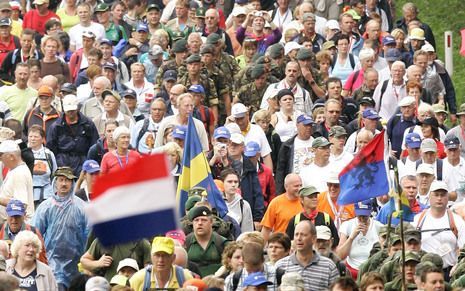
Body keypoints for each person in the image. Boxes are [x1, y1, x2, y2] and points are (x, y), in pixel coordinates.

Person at [33, 167, 89, 290]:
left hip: (76, 262)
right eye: (61, 180)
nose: (64, 183)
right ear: (55, 182)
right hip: (51, 261)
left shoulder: (81, 207)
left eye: (67, 180)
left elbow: (89, 233)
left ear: (72, 183)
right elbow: (35, 234)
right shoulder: (45, 207)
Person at [413, 180, 465, 279]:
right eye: (436, 195)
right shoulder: (418, 220)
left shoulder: (457, 221)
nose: (439, 198)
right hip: (424, 273)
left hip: (449, 272)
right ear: (429, 197)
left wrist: (458, 266)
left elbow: (463, 249)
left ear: (448, 197)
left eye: (443, 195)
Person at [275, 220, 339, 290]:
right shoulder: (280, 266)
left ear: (313, 239)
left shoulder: (329, 266)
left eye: (303, 235)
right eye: (296, 235)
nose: (299, 238)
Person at [46, 94, 99, 175]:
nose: (71, 113)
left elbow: (94, 145)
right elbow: (51, 148)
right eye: (68, 110)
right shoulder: (56, 126)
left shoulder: (88, 124)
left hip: (83, 163)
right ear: (64, 109)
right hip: (62, 163)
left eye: (73, 110)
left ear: (77, 108)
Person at [337, 200, 383, 279]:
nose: (361, 219)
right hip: (352, 271)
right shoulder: (347, 225)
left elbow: (384, 252)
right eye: (359, 216)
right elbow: (339, 256)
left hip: (372, 272)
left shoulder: (379, 227)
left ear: (370, 211)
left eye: (365, 216)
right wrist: (351, 238)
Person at [80, 236, 151, 281]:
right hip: (109, 287)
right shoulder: (102, 241)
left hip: (133, 287)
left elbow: (149, 271)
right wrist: (98, 263)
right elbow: (83, 261)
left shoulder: (141, 242)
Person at [185, 206, 229, 277]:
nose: (200, 223)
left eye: (204, 220)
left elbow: (231, 264)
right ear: (192, 223)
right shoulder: (186, 243)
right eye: (196, 220)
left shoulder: (222, 243)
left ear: (211, 222)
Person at [0, 199, 48, 264]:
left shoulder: (33, 233)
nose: (14, 220)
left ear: (24, 215)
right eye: (11, 216)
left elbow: (42, 261)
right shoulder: (1, 231)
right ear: (6, 215)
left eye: (17, 216)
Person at [260, 173, 303, 242]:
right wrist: (262, 249)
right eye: (296, 186)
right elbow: (266, 229)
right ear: (286, 187)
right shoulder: (276, 203)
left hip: (300, 244)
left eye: (301, 185)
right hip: (281, 245)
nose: (299, 188)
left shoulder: (305, 201)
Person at [0, 140, 34, 223]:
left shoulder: (19, 173)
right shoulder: (14, 170)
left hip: (18, 226)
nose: (0, 159)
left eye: (1, 155)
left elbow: (21, 204)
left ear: (11, 156)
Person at [27, 125, 57, 207]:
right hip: (28, 194)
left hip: (46, 195)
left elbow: (55, 174)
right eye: (30, 136)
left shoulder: (49, 154)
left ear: (43, 139)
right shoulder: (24, 154)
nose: (33, 139)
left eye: (36, 136)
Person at [221, 169, 254, 233]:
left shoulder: (244, 205)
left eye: (236, 182)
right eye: (229, 182)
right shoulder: (216, 203)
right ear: (223, 183)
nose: (233, 185)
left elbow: (247, 231)